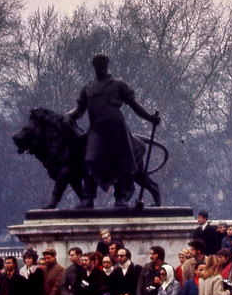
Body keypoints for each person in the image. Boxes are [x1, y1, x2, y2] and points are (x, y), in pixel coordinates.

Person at [63, 53, 161, 208]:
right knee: (90, 160)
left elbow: (134, 104)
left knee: (120, 162)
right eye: (97, 64)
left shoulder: (118, 84)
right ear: (94, 66)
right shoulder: (88, 87)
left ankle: (120, 197)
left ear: (107, 64)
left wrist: (150, 117)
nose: (100, 66)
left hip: (116, 128)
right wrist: (69, 115)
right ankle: (88, 198)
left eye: (103, 63)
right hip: (96, 129)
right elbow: (80, 109)